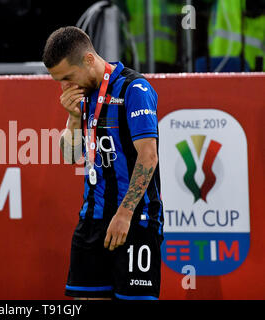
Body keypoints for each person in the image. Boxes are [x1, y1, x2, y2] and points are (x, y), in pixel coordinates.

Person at [42, 26, 163, 300]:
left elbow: (148, 156)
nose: (65, 87)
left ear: (88, 59)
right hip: (92, 221)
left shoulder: (135, 88)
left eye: (68, 77)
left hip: (134, 221)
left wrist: (124, 214)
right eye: (59, 81)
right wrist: (73, 120)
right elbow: (70, 156)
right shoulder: (82, 97)